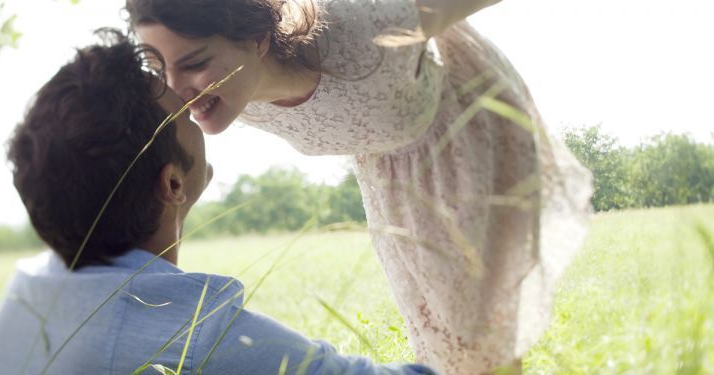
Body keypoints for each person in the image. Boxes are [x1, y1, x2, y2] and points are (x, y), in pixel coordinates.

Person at [124, 0, 593, 373]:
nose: (174, 88)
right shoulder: (209, 95)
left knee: (477, 327)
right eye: (158, 67)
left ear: (258, 39)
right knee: (437, 334)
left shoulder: (367, 22)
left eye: (195, 63)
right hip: (392, 175)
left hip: (468, 130)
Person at [0, 29, 437, 375]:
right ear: (172, 184)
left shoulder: (27, 292)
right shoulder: (192, 340)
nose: (194, 103)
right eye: (178, 108)